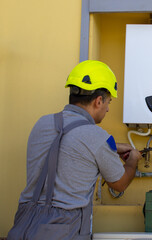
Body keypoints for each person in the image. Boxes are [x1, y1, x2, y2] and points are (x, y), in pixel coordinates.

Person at [8, 60, 142, 239]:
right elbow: (119, 184)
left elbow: (64, 145)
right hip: (64, 226)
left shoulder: (41, 124)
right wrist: (133, 158)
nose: (108, 108)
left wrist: (112, 147)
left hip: (26, 223)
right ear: (98, 101)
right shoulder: (97, 137)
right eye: (109, 102)